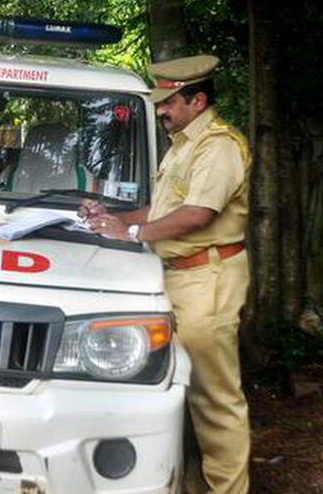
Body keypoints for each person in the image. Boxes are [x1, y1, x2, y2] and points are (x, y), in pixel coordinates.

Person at [79, 55, 251, 493]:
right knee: (175, 390)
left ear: (198, 101)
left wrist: (131, 232)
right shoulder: (184, 145)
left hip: (207, 279)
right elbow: (162, 212)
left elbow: (196, 215)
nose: (161, 110)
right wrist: (110, 217)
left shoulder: (218, 146)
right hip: (178, 276)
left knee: (214, 399)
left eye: (169, 102)